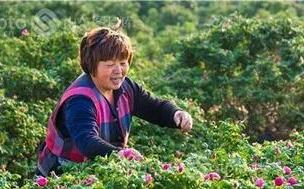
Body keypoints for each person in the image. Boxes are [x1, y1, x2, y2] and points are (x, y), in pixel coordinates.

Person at [35, 25, 192, 177]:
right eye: (110, 64)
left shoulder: (126, 87)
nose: (118, 70)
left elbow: (154, 107)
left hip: (100, 167)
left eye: (123, 63)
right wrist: (120, 154)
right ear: (91, 66)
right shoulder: (80, 99)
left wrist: (176, 114)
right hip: (61, 173)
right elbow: (87, 141)